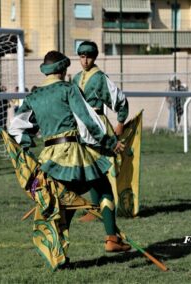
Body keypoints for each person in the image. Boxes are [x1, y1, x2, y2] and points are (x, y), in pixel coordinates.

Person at [8, 51, 131, 261]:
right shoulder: (68, 89)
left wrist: (28, 146)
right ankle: (112, 238)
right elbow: (87, 121)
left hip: (49, 158)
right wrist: (109, 142)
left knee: (65, 204)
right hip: (74, 153)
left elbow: (16, 128)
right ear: (63, 69)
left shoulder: (33, 96)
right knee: (103, 188)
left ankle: (58, 253)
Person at [72, 41, 129, 222]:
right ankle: (95, 209)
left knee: (96, 170)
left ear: (94, 57)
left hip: (96, 128)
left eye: (88, 56)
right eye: (82, 56)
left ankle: (99, 210)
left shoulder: (100, 78)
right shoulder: (75, 78)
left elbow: (120, 100)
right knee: (89, 169)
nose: (85, 60)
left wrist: (120, 123)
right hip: (80, 129)